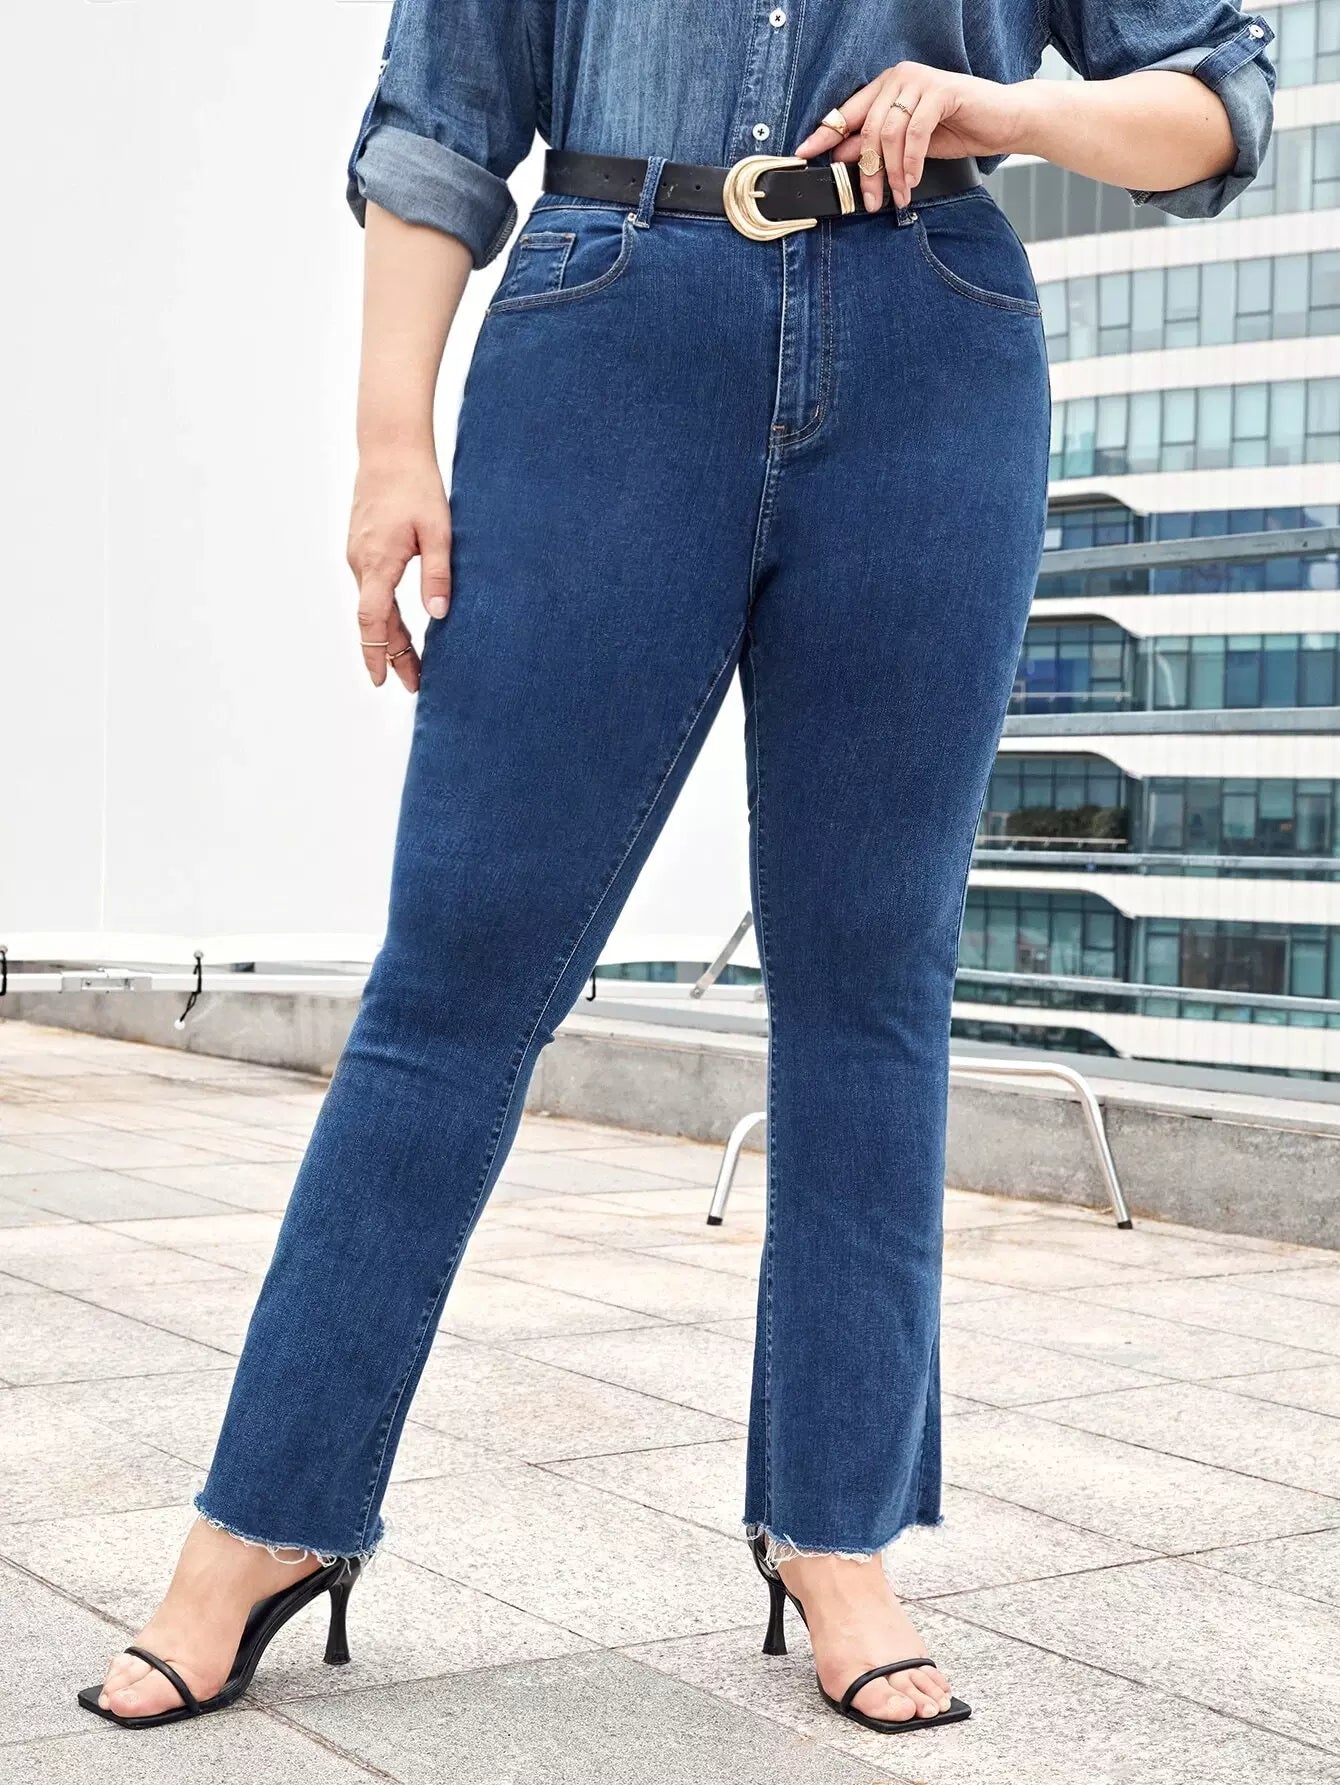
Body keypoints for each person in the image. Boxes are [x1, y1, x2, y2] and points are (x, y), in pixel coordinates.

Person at [81, 0, 1274, 1738]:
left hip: (932, 353)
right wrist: (390, 442)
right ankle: (267, 1517)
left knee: (871, 982)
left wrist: (1001, 113)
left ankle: (837, 1528)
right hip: (605, 338)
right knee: (457, 974)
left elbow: (1220, 100)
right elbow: (439, 123)